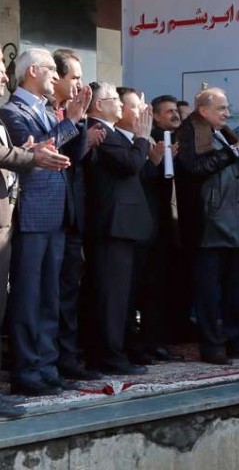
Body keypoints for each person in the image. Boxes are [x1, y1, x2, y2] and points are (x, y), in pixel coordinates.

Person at [1, 48, 88, 396]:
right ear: (33, 71)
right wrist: (69, 122)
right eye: (51, 70)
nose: (56, 76)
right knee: (28, 295)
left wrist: (75, 121)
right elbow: (33, 153)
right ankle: (26, 369)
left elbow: (70, 155)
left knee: (50, 295)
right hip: (32, 212)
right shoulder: (12, 111)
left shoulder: (47, 109)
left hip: (56, 210)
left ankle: (47, 365)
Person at [176, 88, 239, 365]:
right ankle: (213, 345)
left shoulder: (223, 134)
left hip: (235, 223)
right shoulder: (191, 132)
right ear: (204, 111)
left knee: (237, 289)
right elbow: (196, 167)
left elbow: (236, 167)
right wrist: (234, 151)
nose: (228, 114)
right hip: (209, 225)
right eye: (222, 109)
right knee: (209, 293)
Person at [81, 83, 154, 375]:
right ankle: (109, 355)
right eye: (115, 101)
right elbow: (130, 163)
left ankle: (117, 349)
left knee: (120, 295)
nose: (122, 107)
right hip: (110, 226)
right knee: (111, 296)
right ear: (99, 105)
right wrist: (143, 138)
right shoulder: (99, 130)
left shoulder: (110, 132)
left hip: (122, 226)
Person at [50, 49, 103, 381]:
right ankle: (45, 360)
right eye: (75, 78)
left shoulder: (73, 115)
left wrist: (79, 122)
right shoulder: (44, 113)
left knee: (69, 291)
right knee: (47, 296)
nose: (80, 86)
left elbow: (76, 161)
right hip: (44, 217)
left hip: (72, 216)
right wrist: (72, 121)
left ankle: (66, 358)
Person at [142, 95, 189, 349]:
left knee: (174, 283)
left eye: (176, 111)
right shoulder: (152, 140)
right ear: (156, 115)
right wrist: (158, 160)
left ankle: (172, 334)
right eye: (169, 111)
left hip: (176, 225)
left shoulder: (180, 140)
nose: (175, 115)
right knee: (155, 286)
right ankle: (153, 339)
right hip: (156, 224)